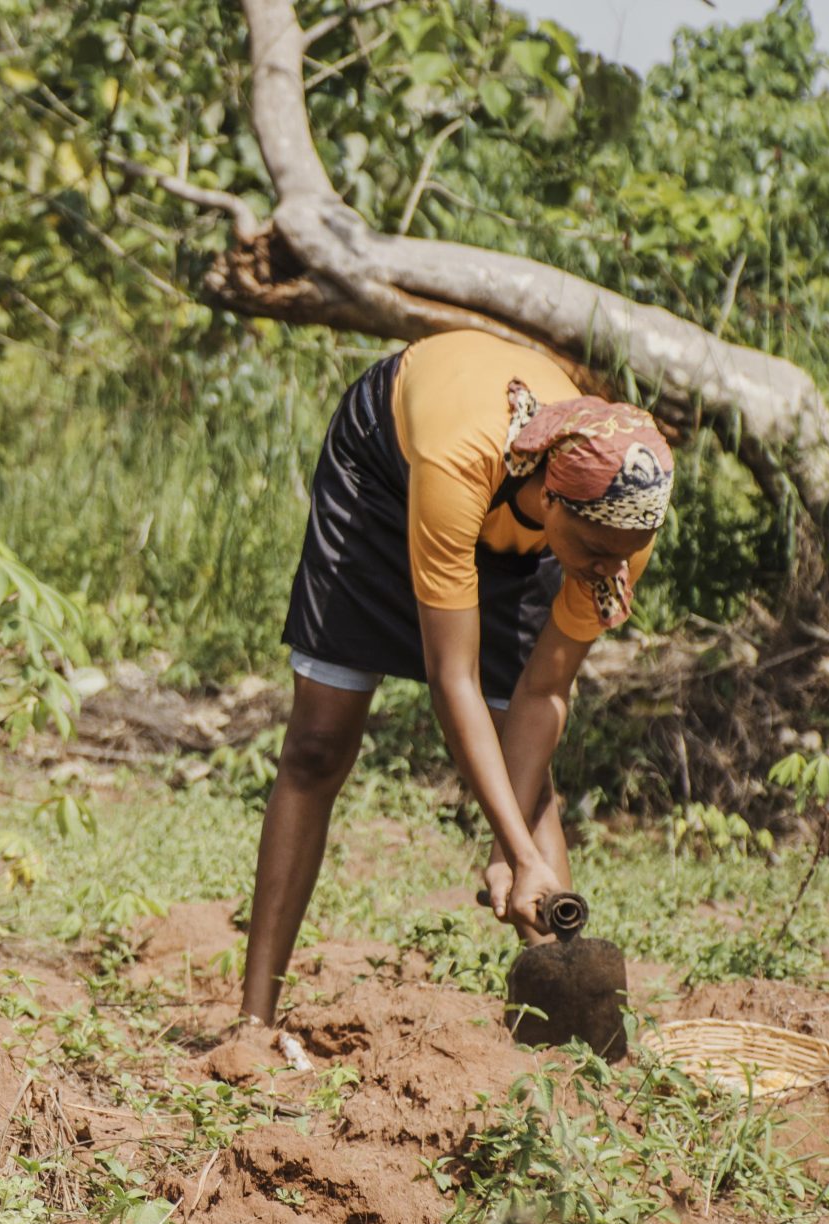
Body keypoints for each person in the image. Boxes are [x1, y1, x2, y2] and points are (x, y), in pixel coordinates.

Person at [240, 330, 674, 1028]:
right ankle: (252, 1024)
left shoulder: (620, 529)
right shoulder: (458, 460)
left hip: (519, 521)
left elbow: (544, 693)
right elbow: (453, 681)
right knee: (319, 742)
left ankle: (568, 1044)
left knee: (529, 789)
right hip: (388, 477)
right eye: (593, 554)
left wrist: (515, 852)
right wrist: (517, 850)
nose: (605, 572)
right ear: (552, 498)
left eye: (620, 560)